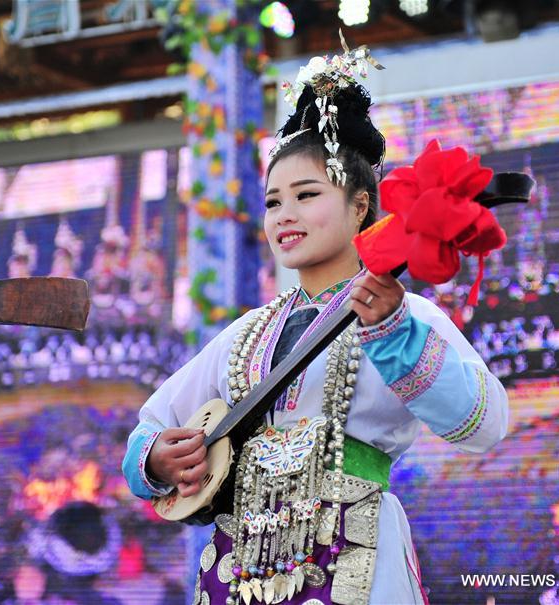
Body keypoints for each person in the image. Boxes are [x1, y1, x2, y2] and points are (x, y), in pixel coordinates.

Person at [122, 41, 508, 604]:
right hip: (241, 569)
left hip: (355, 552)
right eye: (273, 202)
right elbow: (150, 426)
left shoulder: (404, 314)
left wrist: (395, 336)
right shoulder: (247, 333)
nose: (285, 215)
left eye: (307, 195)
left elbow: (485, 423)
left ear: (360, 205)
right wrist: (158, 457)